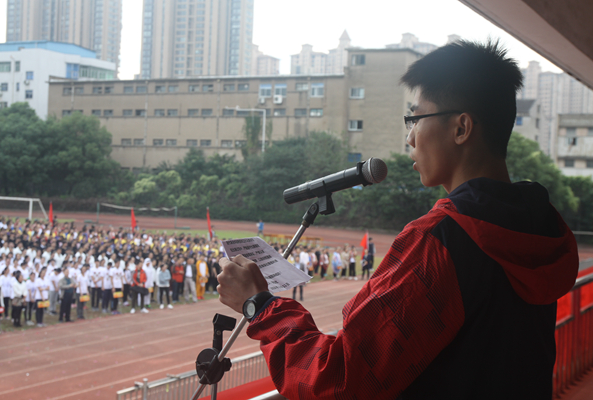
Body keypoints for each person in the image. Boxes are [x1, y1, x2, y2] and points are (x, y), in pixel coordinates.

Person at [216, 40, 580, 399]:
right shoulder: (538, 226)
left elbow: (338, 381)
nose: (409, 137)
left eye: (416, 118)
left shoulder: (440, 242)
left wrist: (260, 306)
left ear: (461, 128)